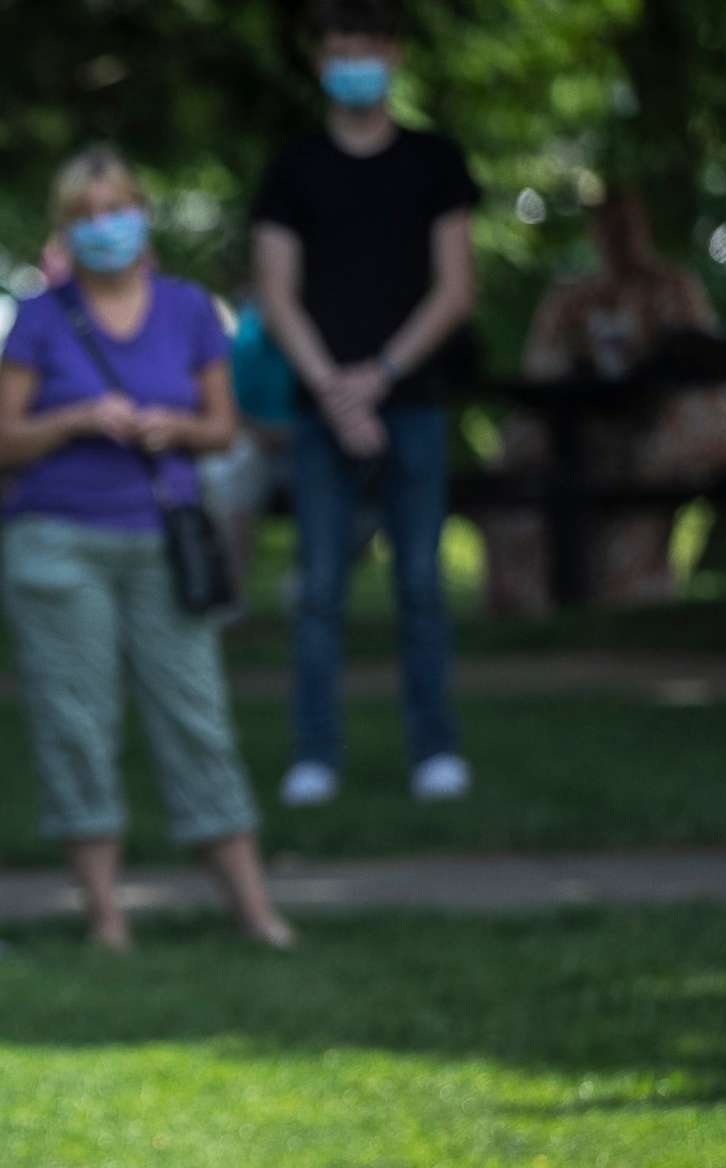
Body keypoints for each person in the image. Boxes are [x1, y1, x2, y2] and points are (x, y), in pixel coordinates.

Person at [0, 149, 294, 952]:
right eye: (84, 216)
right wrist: (77, 420)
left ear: (143, 213)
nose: (103, 228)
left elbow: (223, 428)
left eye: (115, 209)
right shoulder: (41, 318)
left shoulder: (190, 309)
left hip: (163, 539)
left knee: (198, 721)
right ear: (65, 229)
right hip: (57, 544)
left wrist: (174, 429)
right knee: (77, 726)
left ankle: (255, 913)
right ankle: (105, 918)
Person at [252, 0, 480, 808]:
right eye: (339, 46)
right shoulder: (294, 169)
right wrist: (334, 390)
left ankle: (436, 752)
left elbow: (456, 290)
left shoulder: (434, 163)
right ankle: (315, 755)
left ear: (393, 56)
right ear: (321, 60)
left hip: (411, 402)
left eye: (367, 45)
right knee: (319, 590)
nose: (354, 60)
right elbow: (277, 295)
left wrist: (378, 376)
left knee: (421, 583)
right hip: (322, 413)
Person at [482, 190, 726, 614]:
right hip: (588, 429)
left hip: (656, 434)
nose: (618, 237)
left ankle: (630, 605)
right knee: (521, 471)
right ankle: (533, 606)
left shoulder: (673, 287)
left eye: (627, 225)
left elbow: (708, 359)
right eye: (607, 225)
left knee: (639, 495)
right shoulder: (571, 297)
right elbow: (540, 370)